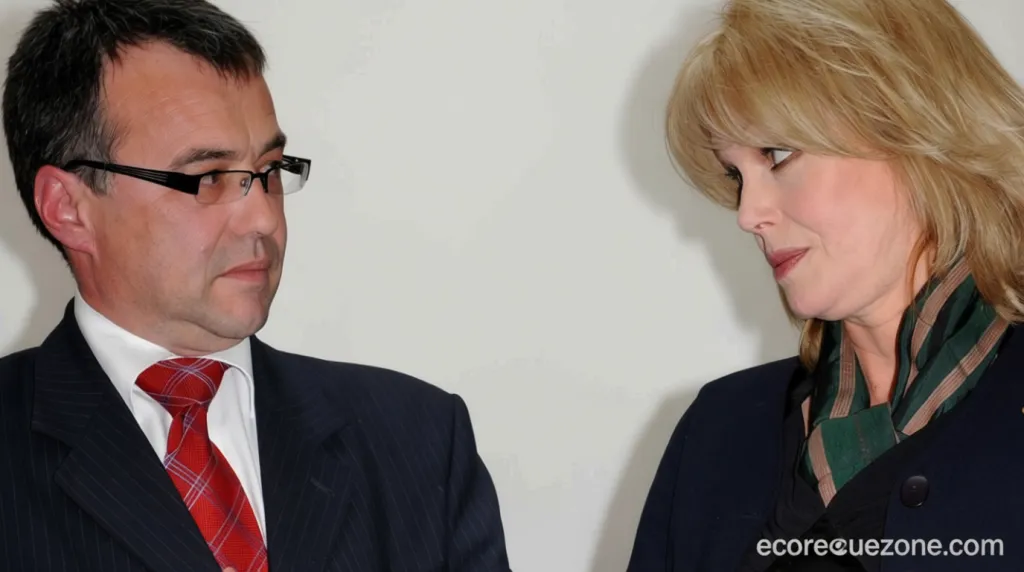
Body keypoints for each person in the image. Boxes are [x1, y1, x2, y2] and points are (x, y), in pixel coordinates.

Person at [0, 1, 511, 571]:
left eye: (270, 170)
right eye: (208, 178)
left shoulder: (415, 439)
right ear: (68, 208)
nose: (264, 218)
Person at [626, 0, 1024, 570]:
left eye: (778, 155)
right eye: (736, 175)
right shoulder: (719, 432)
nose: (748, 214)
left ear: (914, 129)